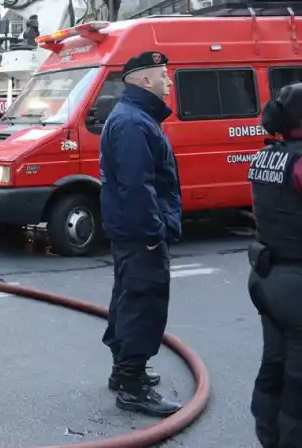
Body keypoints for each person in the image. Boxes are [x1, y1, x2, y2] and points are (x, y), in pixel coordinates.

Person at [99, 50, 182, 417]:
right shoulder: (134, 123)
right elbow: (137, 186)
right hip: (140, 233)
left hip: (131, 231)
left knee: (129, 297)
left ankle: (124, 371)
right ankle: (131, 386)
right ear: (145, 81)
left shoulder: (136, 117)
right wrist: (153, 232)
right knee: (143, 303)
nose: (168, 81)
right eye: (163, 75)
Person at [247, 82, 302, 448]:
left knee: (273, 364)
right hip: (296, 282)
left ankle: (267, 437)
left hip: (266, 277)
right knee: (298, 381)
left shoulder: (267, 156)